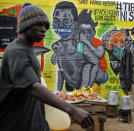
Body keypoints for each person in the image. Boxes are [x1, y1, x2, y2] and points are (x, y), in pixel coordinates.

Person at [0, 3, 93, 131]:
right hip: (16, 125)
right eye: (38, 25)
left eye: (45, 26)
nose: (44, 29)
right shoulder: (16, 51)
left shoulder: (28, 50)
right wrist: (72, 110)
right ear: (25, 26)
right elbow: (33, 87)